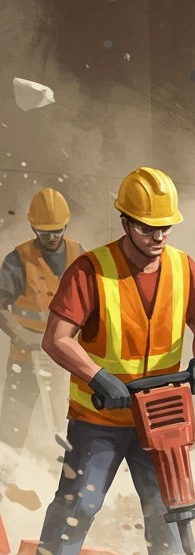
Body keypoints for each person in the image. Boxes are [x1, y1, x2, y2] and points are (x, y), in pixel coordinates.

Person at [34, 167, 195, 555]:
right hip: (99, 415)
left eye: (165, 227)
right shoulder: (91, 270)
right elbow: (56, 338)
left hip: (160, 411)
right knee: (81, 497)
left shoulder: (183, 267)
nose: (158, 236)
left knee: (168, 495)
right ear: (125, 222)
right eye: (147, 227)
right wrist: (97, 376)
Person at [0, 189, 82, 445]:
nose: (52, 237)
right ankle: (8, 464)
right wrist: (21, 336)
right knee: (13, 423)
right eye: (44, 232)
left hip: (67, 358)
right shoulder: (18, 260)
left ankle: (66, 463)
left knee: (71, 422)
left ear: (66, 224)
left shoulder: (78, 253)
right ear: (33, 227)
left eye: (57, 230)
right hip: (26, 358)